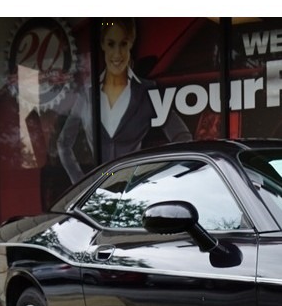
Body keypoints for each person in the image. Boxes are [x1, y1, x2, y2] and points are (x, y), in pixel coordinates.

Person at [58, 18, 190, 184]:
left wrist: (154, 174)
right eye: (111, 44)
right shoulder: (87, 94)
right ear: (102, 44)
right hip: (98, 195)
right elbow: (63, 143)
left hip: (134, 194)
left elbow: (182, 138)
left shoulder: (147, 92)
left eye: (123, 44)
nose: (117, 54)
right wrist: (80, 182)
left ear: (131, 44)